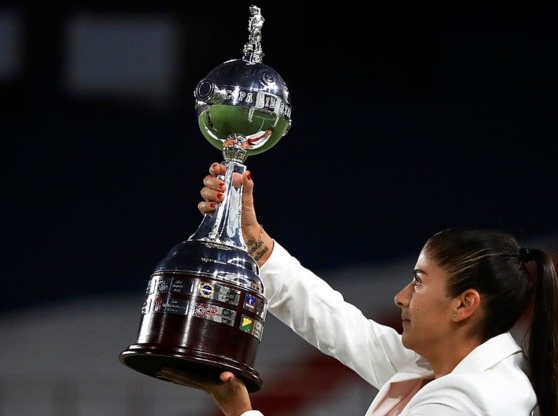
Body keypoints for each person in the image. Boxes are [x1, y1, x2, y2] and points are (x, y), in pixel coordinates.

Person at [157, 162, 557, 416]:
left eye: (418, 282)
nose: (401, 296)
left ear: (464, 305)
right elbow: (339, 325)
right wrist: (253, 239)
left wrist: (239, 412)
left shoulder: (468, 402)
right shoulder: (444, 367)